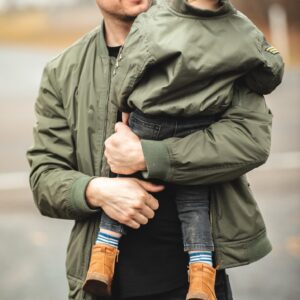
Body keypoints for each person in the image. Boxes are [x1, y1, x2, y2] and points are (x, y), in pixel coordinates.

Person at [26, 0, 279, 299]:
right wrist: (96, 190)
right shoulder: (62, 72)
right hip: (103, 285)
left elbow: (249, 139)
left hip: (196, 283)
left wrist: (149, 156)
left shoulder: (214, 42)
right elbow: (44, 177)